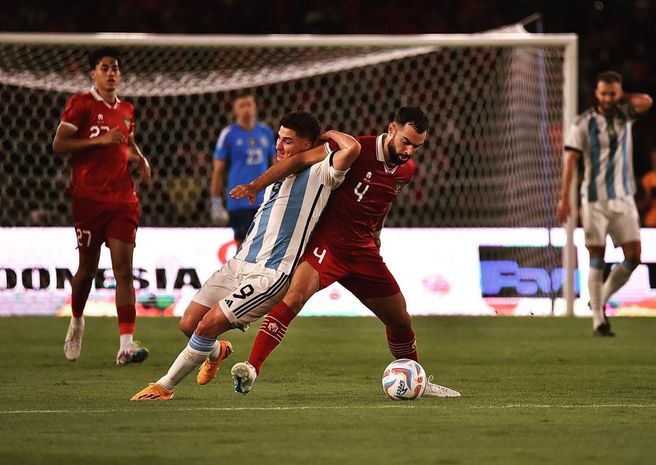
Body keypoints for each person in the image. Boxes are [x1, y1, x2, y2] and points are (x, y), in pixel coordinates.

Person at [229, 106, 460, 398]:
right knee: (295, 296)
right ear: (391, 129)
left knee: (401, 319)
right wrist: (255, 185)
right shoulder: (355, 148)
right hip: (327, 244)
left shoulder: (406, 170)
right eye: (406, 141)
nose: (410, 151)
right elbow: (298, 160)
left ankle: (415, 378)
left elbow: (384, 200)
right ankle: (251, 368)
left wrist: (377, 234)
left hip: (363, 250)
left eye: (417, 146)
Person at [131, 111, 360, 400]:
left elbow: (352, 148)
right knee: (189, 324)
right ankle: (218, 351)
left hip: (271, 274)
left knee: (208, 325)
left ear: (307, 145)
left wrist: (327, 136)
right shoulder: (279, 169)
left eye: (288, 141)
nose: (278, 146)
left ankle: (164, 387)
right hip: (239, 263)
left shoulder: (321, 172)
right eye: (278, 138)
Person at [52, 47, 152, 364]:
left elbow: (127, 142)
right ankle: (77, 320)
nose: (111, 73)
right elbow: (59, 144)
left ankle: (125, 345)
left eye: (115, 68)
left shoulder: (126, 109)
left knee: (124, 271)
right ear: (93, 73)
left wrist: (140, 158)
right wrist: (99, 140)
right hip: (88, 200)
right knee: (87, 270)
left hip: (123, 199)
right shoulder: (80, 104)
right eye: (105, 68)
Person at [557, 70, 653, 336]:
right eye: (604, 93)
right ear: (596, 94)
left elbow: (646, 101)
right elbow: (571, 164)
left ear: (618, 93)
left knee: (634, 258)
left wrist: (625, 97)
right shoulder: (583, 123)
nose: (608, 98)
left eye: (613, 93)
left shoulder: (626, 115)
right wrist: (565, 198)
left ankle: (599, 298)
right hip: (594, 201)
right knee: (597, 258)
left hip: (624, 198)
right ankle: (599, 319)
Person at [210, 90, 276, 246]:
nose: (246, 109)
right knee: (243, 246)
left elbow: (276, 165)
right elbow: (218, 170)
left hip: (264, 199)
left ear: (255, 107)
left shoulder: (266, 132)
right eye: (242, 105)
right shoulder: (228, 134)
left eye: (249, 104)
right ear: (234, 109)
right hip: (239, 201)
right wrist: (216, 202)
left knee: (265, 245)